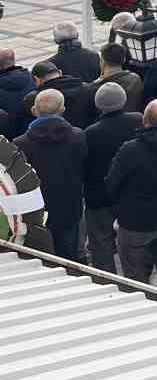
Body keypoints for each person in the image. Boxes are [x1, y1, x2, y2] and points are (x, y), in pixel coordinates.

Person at [104, 98, 157, 290]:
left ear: (145, 120)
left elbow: (112, 183)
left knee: (135, 277)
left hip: (134, 222)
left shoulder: (131, 149)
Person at [14, 88, 86, 263]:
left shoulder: (20, 144)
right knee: (68, 258)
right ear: (62, 110)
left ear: (34, 110)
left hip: (37, 212)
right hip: (70, 207)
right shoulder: (77, 136)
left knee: (42, 260)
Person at [82, 82, 139, 271]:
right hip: (131, 192)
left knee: (101, 243)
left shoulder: (91, 132)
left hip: (100, 196)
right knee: (133, 243)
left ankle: (106, 281)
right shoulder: (137, 120)